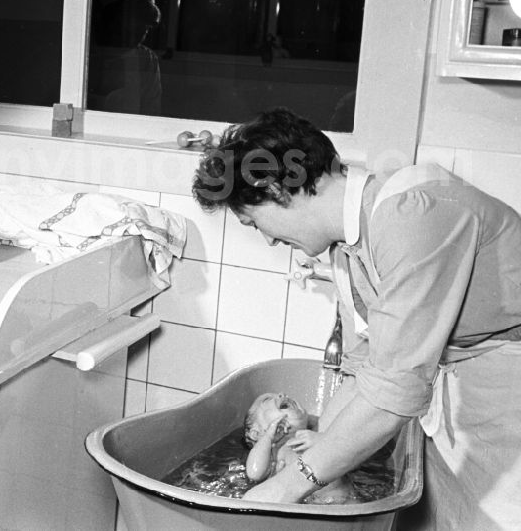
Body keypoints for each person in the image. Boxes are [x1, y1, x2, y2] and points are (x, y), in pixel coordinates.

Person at [192, 107, 521, 528]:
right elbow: (361, 367)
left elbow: (393, 390)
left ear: (276, 188)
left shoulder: (411, 215)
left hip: (505, 398)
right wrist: (320, 447)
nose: (270, 239)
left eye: (254, 223)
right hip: (464, 402)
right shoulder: (347, 248)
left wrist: (286, 487)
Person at [244, 392, 356, 504]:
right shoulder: (273, 453)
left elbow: (348, 447)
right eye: (267, 399)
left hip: (344, 499)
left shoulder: (315, 435)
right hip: (299, 504)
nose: (282, 394)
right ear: (255, 433)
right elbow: (255, 472)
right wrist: (267, 437)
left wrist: (322, 438)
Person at [87, 0, 163, 116]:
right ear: (114, 19)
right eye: (136, 24)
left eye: (146, 27)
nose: (142, 33)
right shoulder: (86, 51)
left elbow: (152, 111)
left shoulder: (146, 59)